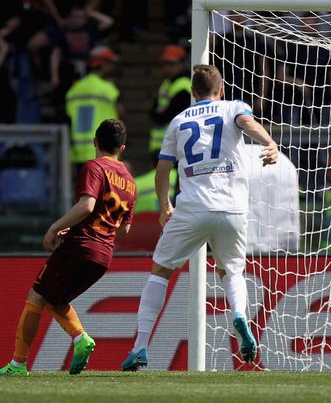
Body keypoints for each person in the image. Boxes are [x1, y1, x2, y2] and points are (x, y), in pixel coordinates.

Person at [121, 64, 279, 371]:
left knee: (160, 271)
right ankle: (238, 316)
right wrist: (269, 144)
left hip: (191, 208)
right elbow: (247, 122)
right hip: (232, 208)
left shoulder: (179, 121)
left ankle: (140, 347)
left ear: (193, 93)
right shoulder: (233, 106)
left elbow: (163, 169)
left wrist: (165, 204)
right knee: (231, 271)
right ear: (221, 90)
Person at [0, 119, 136, 377]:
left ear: (94, 142)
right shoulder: (130, 181)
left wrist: (54, 227)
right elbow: (124, 228)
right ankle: (80, 338)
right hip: (103, 255)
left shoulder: (94, 167)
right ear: (123, 148)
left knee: (36, 296)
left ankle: (18, 364)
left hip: (81, 247)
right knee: (56, 298)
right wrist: (80, 227)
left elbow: (86, 205)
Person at [66, 46, 124, 176]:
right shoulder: (108, 89)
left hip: (78, 152)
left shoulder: (74, 90)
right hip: (104, 150)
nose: (113, 67)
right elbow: (121, 112)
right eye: (111, 63)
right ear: (102, 63)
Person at [148, 45, 191, 160]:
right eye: (165, 63)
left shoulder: (184, 85)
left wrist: (161, 111)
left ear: (182, 64)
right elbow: (154, 114)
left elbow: (167, 116)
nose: (167, 67)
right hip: (161, 145)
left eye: (171, 63)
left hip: (174, 146)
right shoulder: (166, 84)